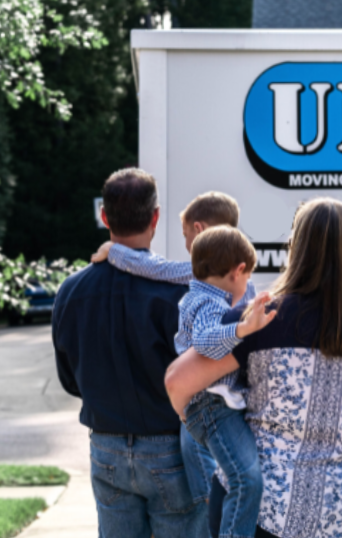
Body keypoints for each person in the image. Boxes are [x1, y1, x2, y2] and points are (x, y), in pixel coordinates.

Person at [165, 197, 342, 538]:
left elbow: (178, 382)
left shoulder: (261, 319)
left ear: (296, 249)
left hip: (261, 515)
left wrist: (193, 420)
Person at [52, 168, 206, 538]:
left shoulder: (70, 291)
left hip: (105, 446)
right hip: (170, 447)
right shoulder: (179, 293)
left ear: (104, 217)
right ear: (155, 217)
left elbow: (69, 378)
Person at [91, 190, 257, 504]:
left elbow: (157, 269)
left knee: (193, 443)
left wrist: (113, 249)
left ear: (199, 230)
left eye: (185, 236)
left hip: (203, 395)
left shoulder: (200, 273)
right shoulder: (244, 277)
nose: (185, 245)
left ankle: (205, 502)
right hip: (236, 397)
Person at [176, 225, 276, 538]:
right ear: (239, 270)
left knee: (239, 478)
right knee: (247, 480)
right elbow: (206, 342)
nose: (247, 285)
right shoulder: (207, 303)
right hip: (211, 405)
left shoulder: (202, 296)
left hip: (214, 406)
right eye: (247, 278)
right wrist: (244, 329)